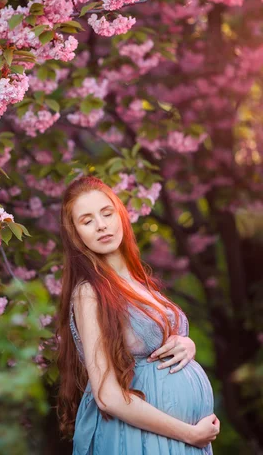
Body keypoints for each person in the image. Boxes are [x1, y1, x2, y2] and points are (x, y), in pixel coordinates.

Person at [56, 176, 220, 454]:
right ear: (76, 235)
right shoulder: (89, 294)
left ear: (120, 215)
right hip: (140, 439)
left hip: (178, 440)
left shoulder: (137, 281)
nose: (101, 225)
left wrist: (186, 344)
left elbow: (153, 341)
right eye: (87, 221)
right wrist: (190, 433)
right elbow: (107, 397)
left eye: (107, 213)